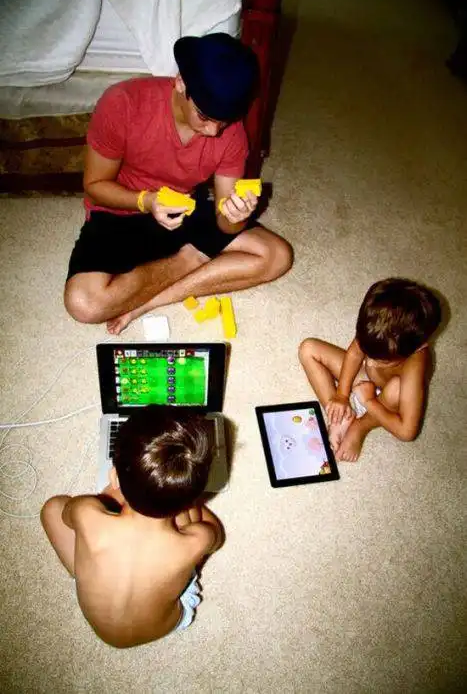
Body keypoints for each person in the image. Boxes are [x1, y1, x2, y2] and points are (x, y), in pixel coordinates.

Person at [64, 33, 293, 334]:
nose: (213, 131)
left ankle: (151, 298)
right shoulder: (123, 104)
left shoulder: (232, 134)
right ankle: (191, 259)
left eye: (224, 121)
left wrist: (236, 215)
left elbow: (225, 223)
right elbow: (95, 185)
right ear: (181, 82)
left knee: (277, 256)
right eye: (204, 116)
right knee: (83, 303)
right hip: (120, 210)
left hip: (182, 209)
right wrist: (147, 201)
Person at [41, 406, 224, 648]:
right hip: (166, 621)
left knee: (52, 507)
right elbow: (216, 539)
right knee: (194, 524)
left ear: (114, 477)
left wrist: (107, 499)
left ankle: (88, 570)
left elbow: (66, 514)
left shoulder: (87, 513)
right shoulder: (196, 540)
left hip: (102, 615)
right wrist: (189, 505)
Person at [298, 278, 442, 462]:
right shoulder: (376, 328)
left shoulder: (416, 364)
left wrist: (369, 401)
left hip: (386, 399)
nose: (371, 362)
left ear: (419, 346)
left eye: (382, 360)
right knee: (308, 348)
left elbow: (407, 432)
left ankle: (359, 427)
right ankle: (339, 418)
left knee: (396, 388)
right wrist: (341, 395)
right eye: (368, 353)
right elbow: (354, 354)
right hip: (364, 380)